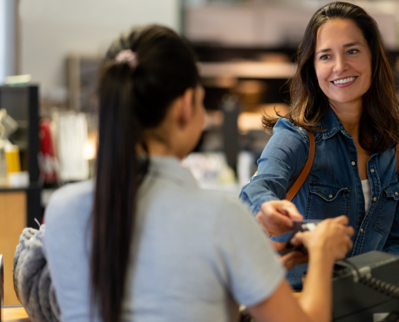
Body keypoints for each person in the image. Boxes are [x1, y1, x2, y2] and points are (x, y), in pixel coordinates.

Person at [42, 25, 353, 322]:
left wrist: (259, 268)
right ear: (185, 106)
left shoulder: (61, 209)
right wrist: (323, 254)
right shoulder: (222, 217)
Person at [239, 1, 399, 290]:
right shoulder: (297, 136)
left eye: (352, 51)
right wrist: (267, 209)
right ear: (313, 67)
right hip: (300, 307)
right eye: (325, 56)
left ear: (373, 57)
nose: (339, 66)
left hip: (368, 307)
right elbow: (257, 190)